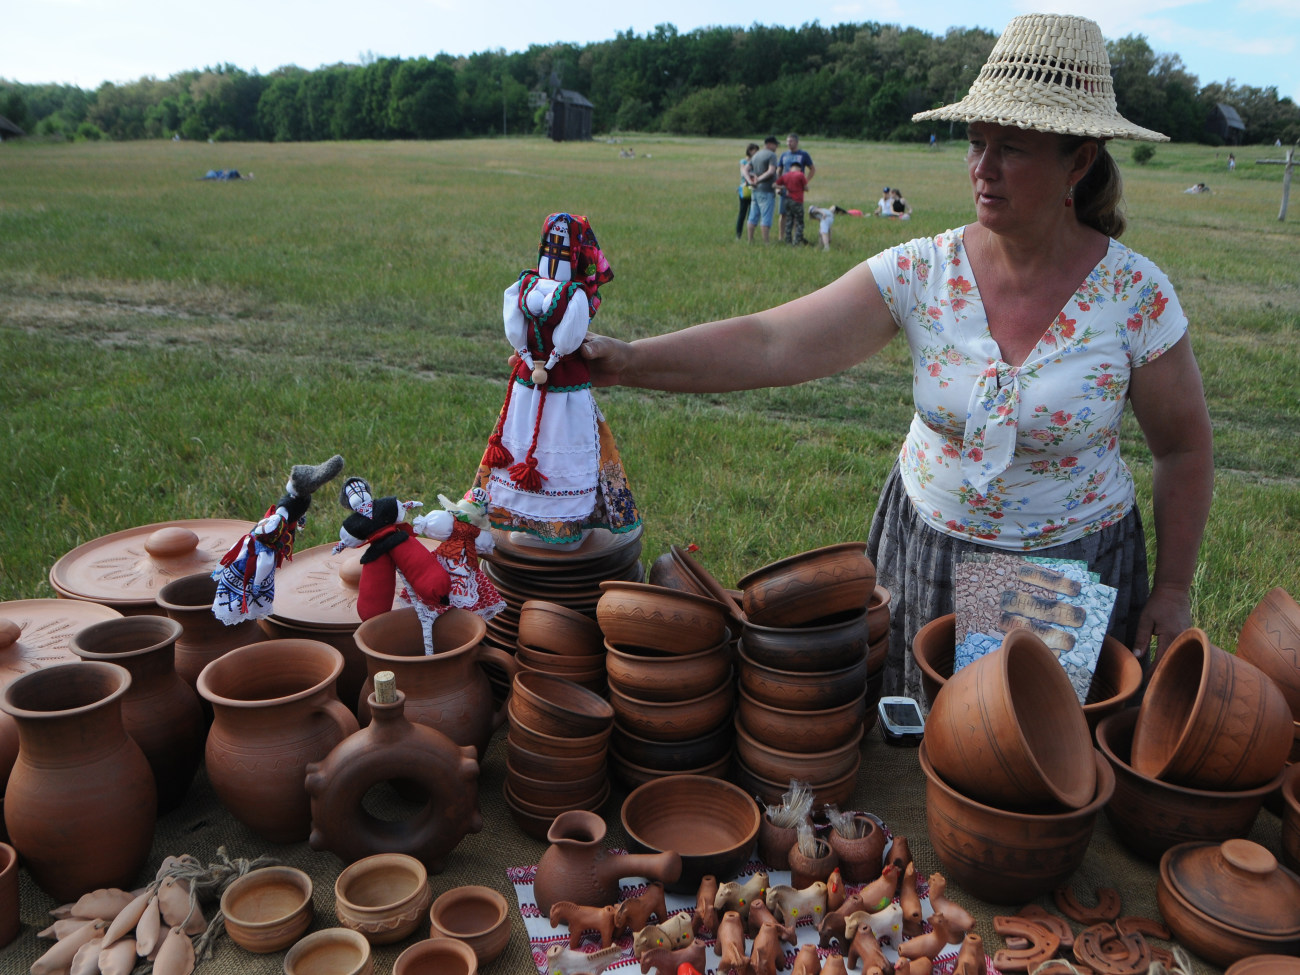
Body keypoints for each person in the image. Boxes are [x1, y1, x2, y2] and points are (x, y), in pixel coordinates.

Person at [578, 13, 1213, 702]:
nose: (983, 167)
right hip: (929, 555)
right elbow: (772, 340)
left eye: (1013, 147)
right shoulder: (924, 270)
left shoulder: (1134, 293)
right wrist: (629, 358)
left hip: (1068, 570)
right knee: (920, 758)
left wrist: (1174, 586)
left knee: (1028, 767)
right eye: (975, 142)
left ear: (1080, 159)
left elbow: (1182, 447)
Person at [476, 212, 641, 549]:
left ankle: (563, 526)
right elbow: (514, 321)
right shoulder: (525, 283)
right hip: (528, 380)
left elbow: (569, 334)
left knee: (564, 445)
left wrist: (551, 358)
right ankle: (522, 518)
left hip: (564, 382)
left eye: (562, 246)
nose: (554, 251)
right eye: (550, 242)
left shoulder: (575, 294)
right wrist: (525, 353)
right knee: (519, 439)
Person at [778, 133, 815, 241]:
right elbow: (779, 169)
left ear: (796, 142)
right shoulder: (784, 155)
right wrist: (779, 185)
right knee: (783, 213)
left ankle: (796, 237)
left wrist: (805, 182)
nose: (789, 143)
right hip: (785, 188)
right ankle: (781, 237)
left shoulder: (803, 155)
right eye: (787, 141)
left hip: (797, 190)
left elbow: (812, 169)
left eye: (791, 141)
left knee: (796, 214)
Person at [746, 136, 780, 243]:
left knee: (752, 216)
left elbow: (745, 169)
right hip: (767, 190)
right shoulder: (772, 155)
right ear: (769, 144)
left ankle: (750, 240)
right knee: (766, 217)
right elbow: (771, 171)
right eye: (775, 145)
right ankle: (766, 242)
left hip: (755, 191)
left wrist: (750, 181)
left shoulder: (756, 155)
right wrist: (759, 180)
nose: (776, 147)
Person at [776, 163, 808, 245]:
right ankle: (796, 241)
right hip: (797, 201)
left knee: (789, 220)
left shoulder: (785, 175)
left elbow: (775, 184)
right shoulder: (800, 175)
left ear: (791, 168)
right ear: (799, 169)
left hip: (787, 200)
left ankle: (788, 240)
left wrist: (784, 187)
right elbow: (806, 188)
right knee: (799, 222)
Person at [736, 143, 759, 239]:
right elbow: (743, 172)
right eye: (755, 150)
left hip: (755, 188)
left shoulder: (757, 161)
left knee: (752, 213)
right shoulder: (744, 161)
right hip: (745, 189)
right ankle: (738, 234)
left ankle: (750, 234)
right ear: (750, 151)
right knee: (742, 212)